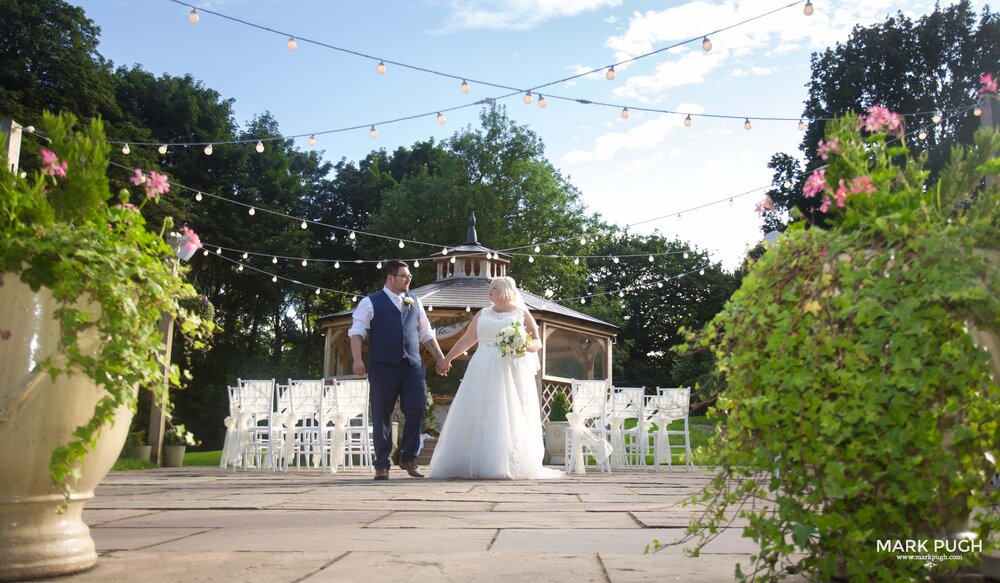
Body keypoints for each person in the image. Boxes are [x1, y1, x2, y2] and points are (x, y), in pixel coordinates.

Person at [428, 276, 563, 480]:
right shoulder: (482, 313)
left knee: (505, 411)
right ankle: (468, 461)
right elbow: (467, 339)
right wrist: (447, 359)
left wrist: (523, 346)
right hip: (482, 365)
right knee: (477, 409)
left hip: (508, 368)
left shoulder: (521, 312)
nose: (489, 292)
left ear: (505, 290)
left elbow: (537, 341)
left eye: (493, 288)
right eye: (489, 288)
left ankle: (503, 462)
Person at [350, 260, 449, 480]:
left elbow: (426, 333)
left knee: (416, 409)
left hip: (412, 367)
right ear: (390, 278)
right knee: (382, 415)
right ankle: (382, 464)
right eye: (404, 275)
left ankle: (409, 458)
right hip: (383, 367)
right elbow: (356, 332)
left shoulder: (415, 301)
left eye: (409, 275)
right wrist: (357, 359)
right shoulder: (370, 302)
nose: (409, 279)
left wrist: (441, 359)